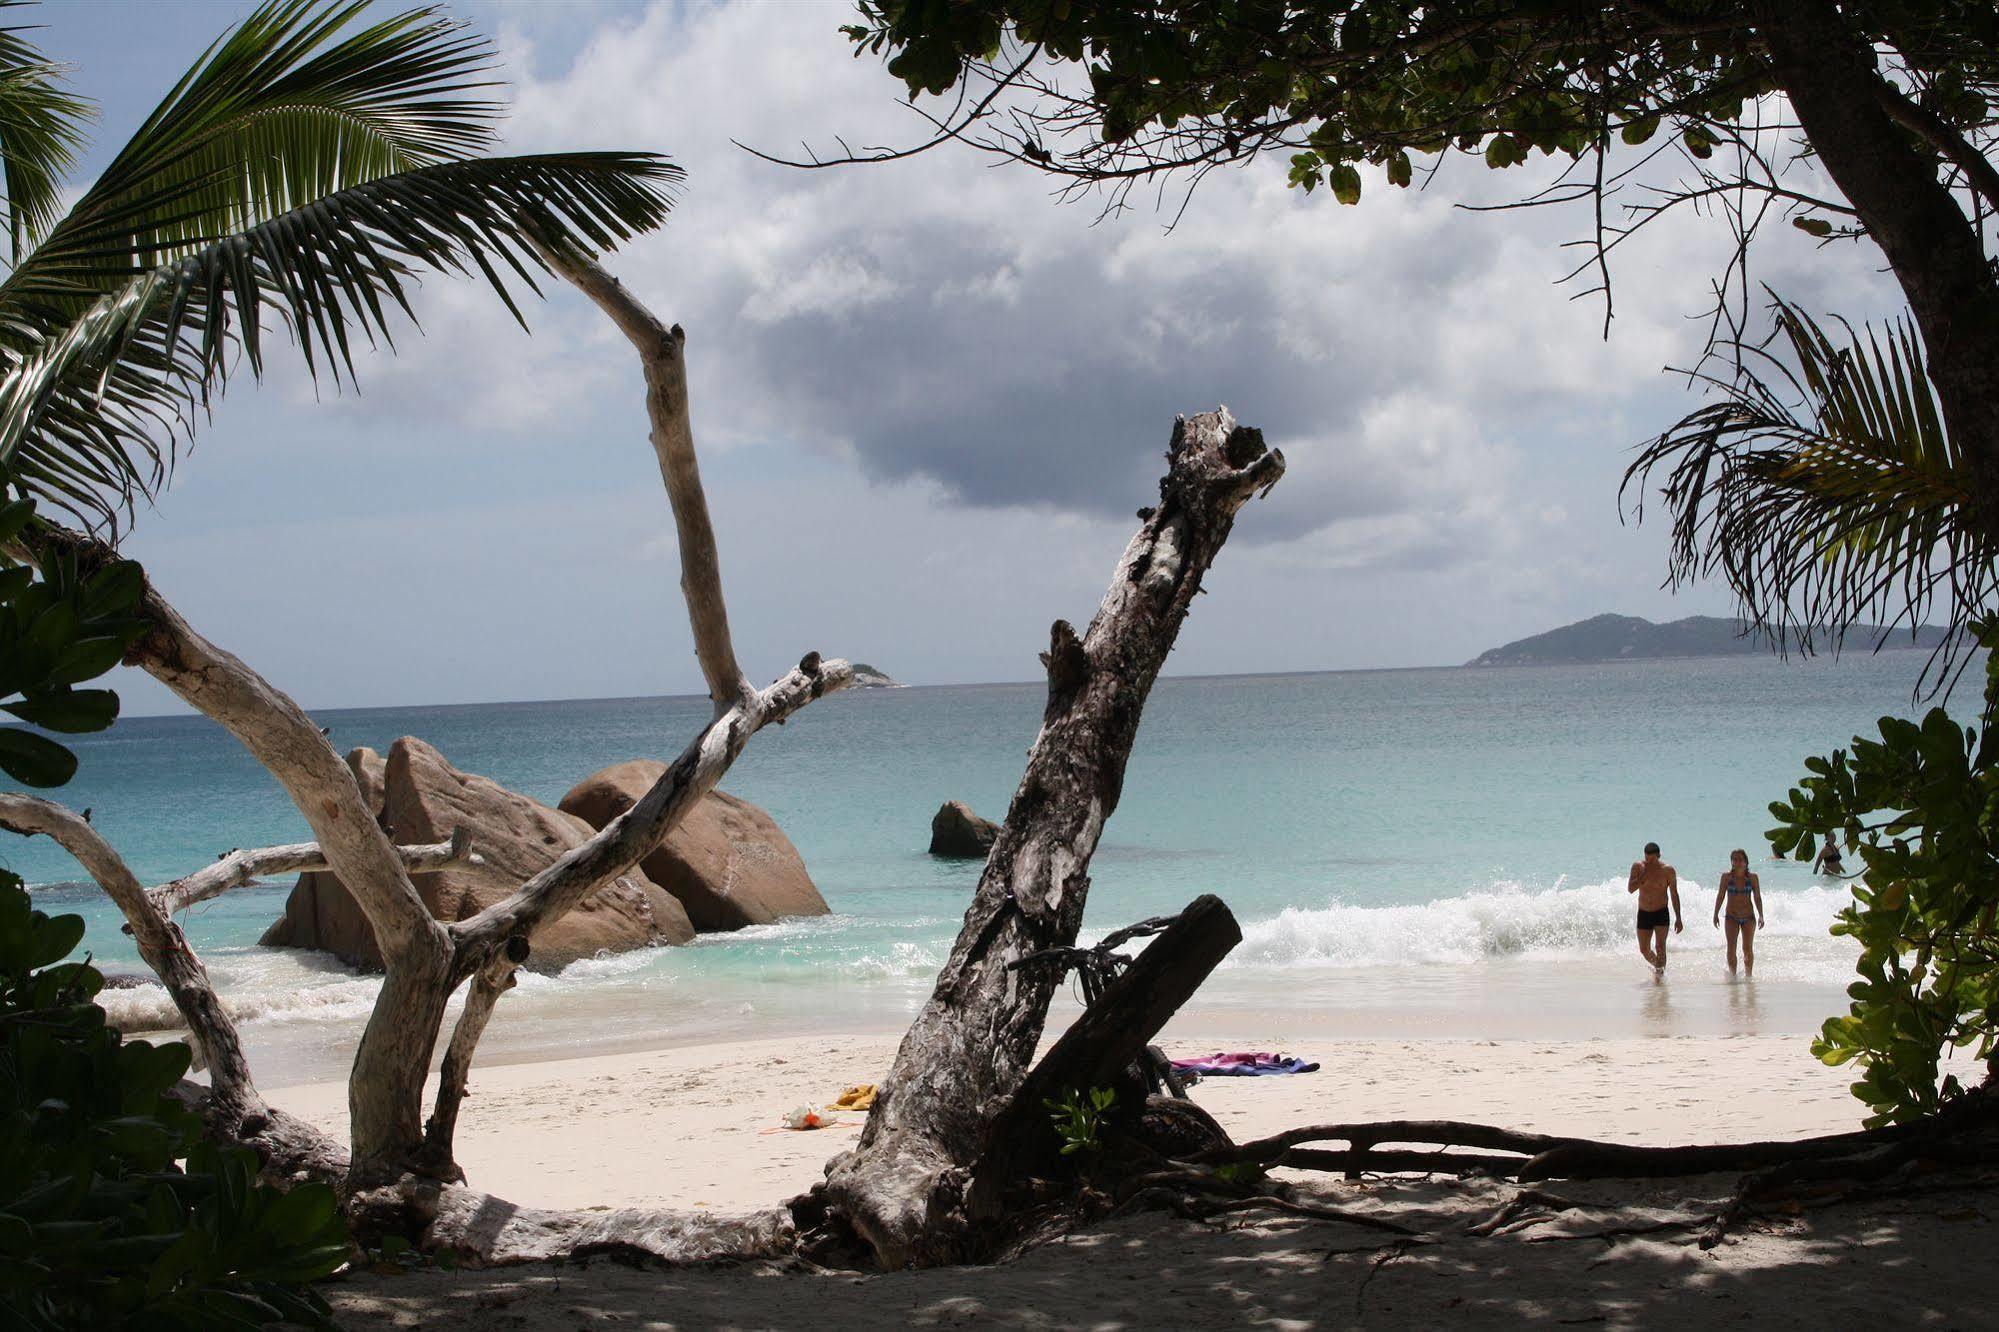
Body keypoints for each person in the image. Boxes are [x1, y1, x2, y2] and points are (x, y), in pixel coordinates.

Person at [1627, 841, 1681, 975]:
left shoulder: (1668, 870)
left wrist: (1678, 918)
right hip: (1644, 913)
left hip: (1661, 912)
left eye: (1652, 860)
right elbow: (1630, 889)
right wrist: (1641, 878)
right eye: (1647, 859)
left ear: (1659, 856)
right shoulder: (1638, 867)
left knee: (1660, 946)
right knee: (1644, 949)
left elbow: (1674, 894)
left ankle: (1660, 977)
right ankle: (1658, 967)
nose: (1649, 863)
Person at [1712, 848, 1765, 977]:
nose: (1738, 862)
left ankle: (1748, 976)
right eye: (1735, 859)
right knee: (1731, 947)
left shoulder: (1752, 878)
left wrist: (1761, 915)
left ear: (1746, 862)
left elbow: (1757, 897)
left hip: (1748, 917)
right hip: (1731, 917)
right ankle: (1733, 977)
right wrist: (1715, 914)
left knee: (1747, 949)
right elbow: (1720, 896)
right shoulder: (1726, 877)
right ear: (1732, 862)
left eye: (1740, 859)